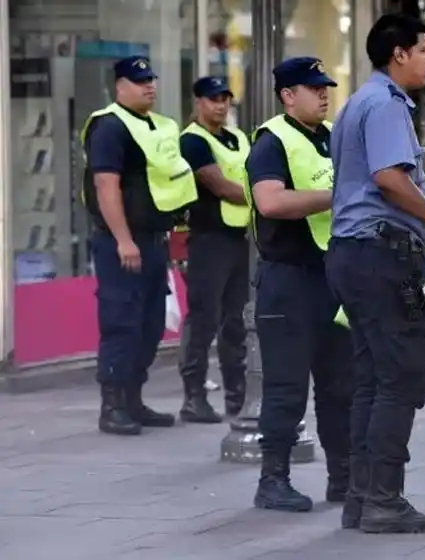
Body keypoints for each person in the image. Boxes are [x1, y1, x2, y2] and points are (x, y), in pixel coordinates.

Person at [325, 14, 425, 534]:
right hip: (382, 255)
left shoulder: (361, 101)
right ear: (398, 54)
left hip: (355, 254)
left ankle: (363, 497)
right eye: (424, 50)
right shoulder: (385, 105)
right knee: (400, 379)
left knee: (373, 379)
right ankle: (383, 499)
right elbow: (388, 178)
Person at [247, 57, 354, 513]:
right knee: (286, 386)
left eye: (326, 87)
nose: (324, 94)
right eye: (313, 88)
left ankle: (343, 477)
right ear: (288, 95)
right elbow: (269, 202)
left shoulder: (331, 138)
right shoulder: (272, 141)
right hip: (287, 280)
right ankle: (273, 479)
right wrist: (340, 195)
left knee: (340, 386)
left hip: (332, 277)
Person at [82, 56, 198, 436]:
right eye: (139, 80)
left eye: (151, 79)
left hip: (153, 241)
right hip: (122, 243)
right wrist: (123, 239)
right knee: (122, 323)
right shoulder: (110, 127)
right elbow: (106, 187)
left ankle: (133, 398)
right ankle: (112, 405)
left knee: (149, 325)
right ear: (120, 87)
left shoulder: (157, 125)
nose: (149, 85)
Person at [177, 76, 250, 423]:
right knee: (204, 319)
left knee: (234, 321)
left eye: (225, 98)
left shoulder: (237, 138)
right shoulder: (192, 140)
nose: (220, 105)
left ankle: (237, 396)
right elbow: (218, 184)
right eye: (212, 99)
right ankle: (194, 397)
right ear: (198, 102)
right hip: (208, 239)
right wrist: (265, 196)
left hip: (238, 237)